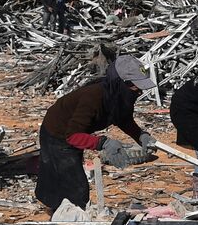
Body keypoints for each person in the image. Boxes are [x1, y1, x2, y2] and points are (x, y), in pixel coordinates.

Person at [35, 55, 156, 213]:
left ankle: (61, 210)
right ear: (121, 83)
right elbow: (72, 136)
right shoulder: (93, 98)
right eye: (136, 87)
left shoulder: (119, 96)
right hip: (57, 133)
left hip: (75, 131)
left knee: (67, 177)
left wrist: (141, 136)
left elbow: (124, 119)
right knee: (75, 186)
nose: (139, 92)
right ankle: (68, 220)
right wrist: (103, 143)